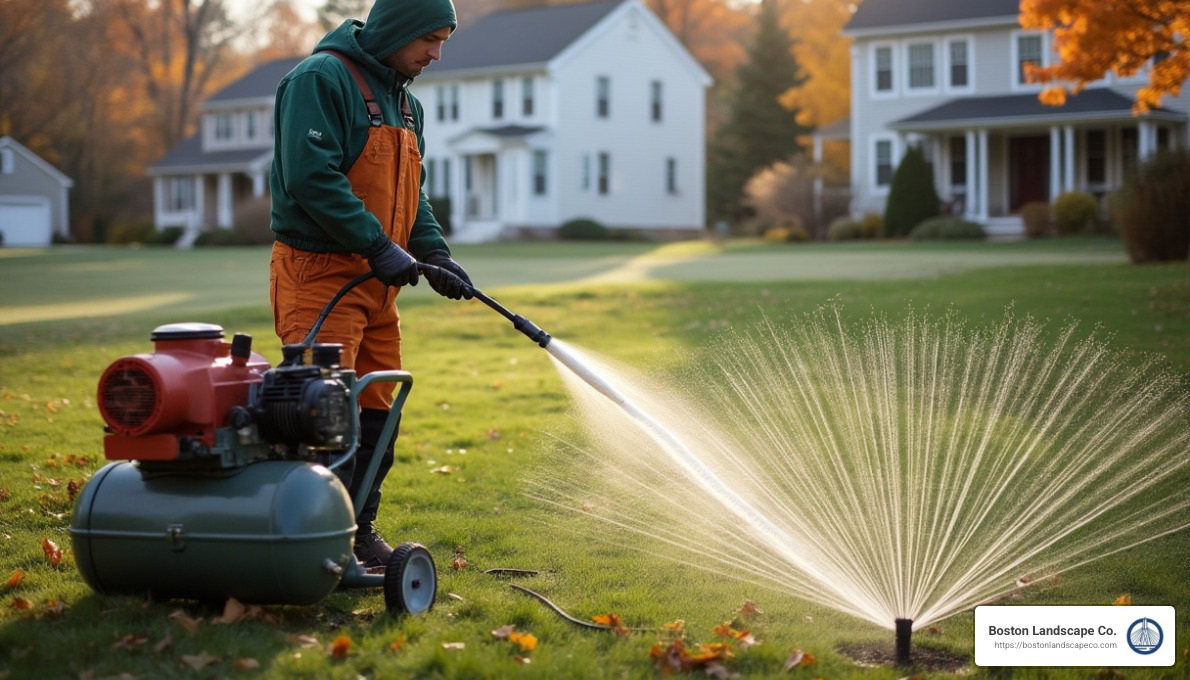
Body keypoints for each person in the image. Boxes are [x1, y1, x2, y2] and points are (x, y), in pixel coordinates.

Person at [268, 0, 472, 570]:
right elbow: (310, 176)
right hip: (318, 275)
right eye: (428, 40)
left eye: (443, 42)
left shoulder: (406, 103)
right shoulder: (319, 79)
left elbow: (414, 194)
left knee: (378, 412)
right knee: (321, 413)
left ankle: (355, 532)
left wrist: (434, 251)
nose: (435, 54)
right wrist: (378, 244)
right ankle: (307, 544)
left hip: (378, 284)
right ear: (399, 29)